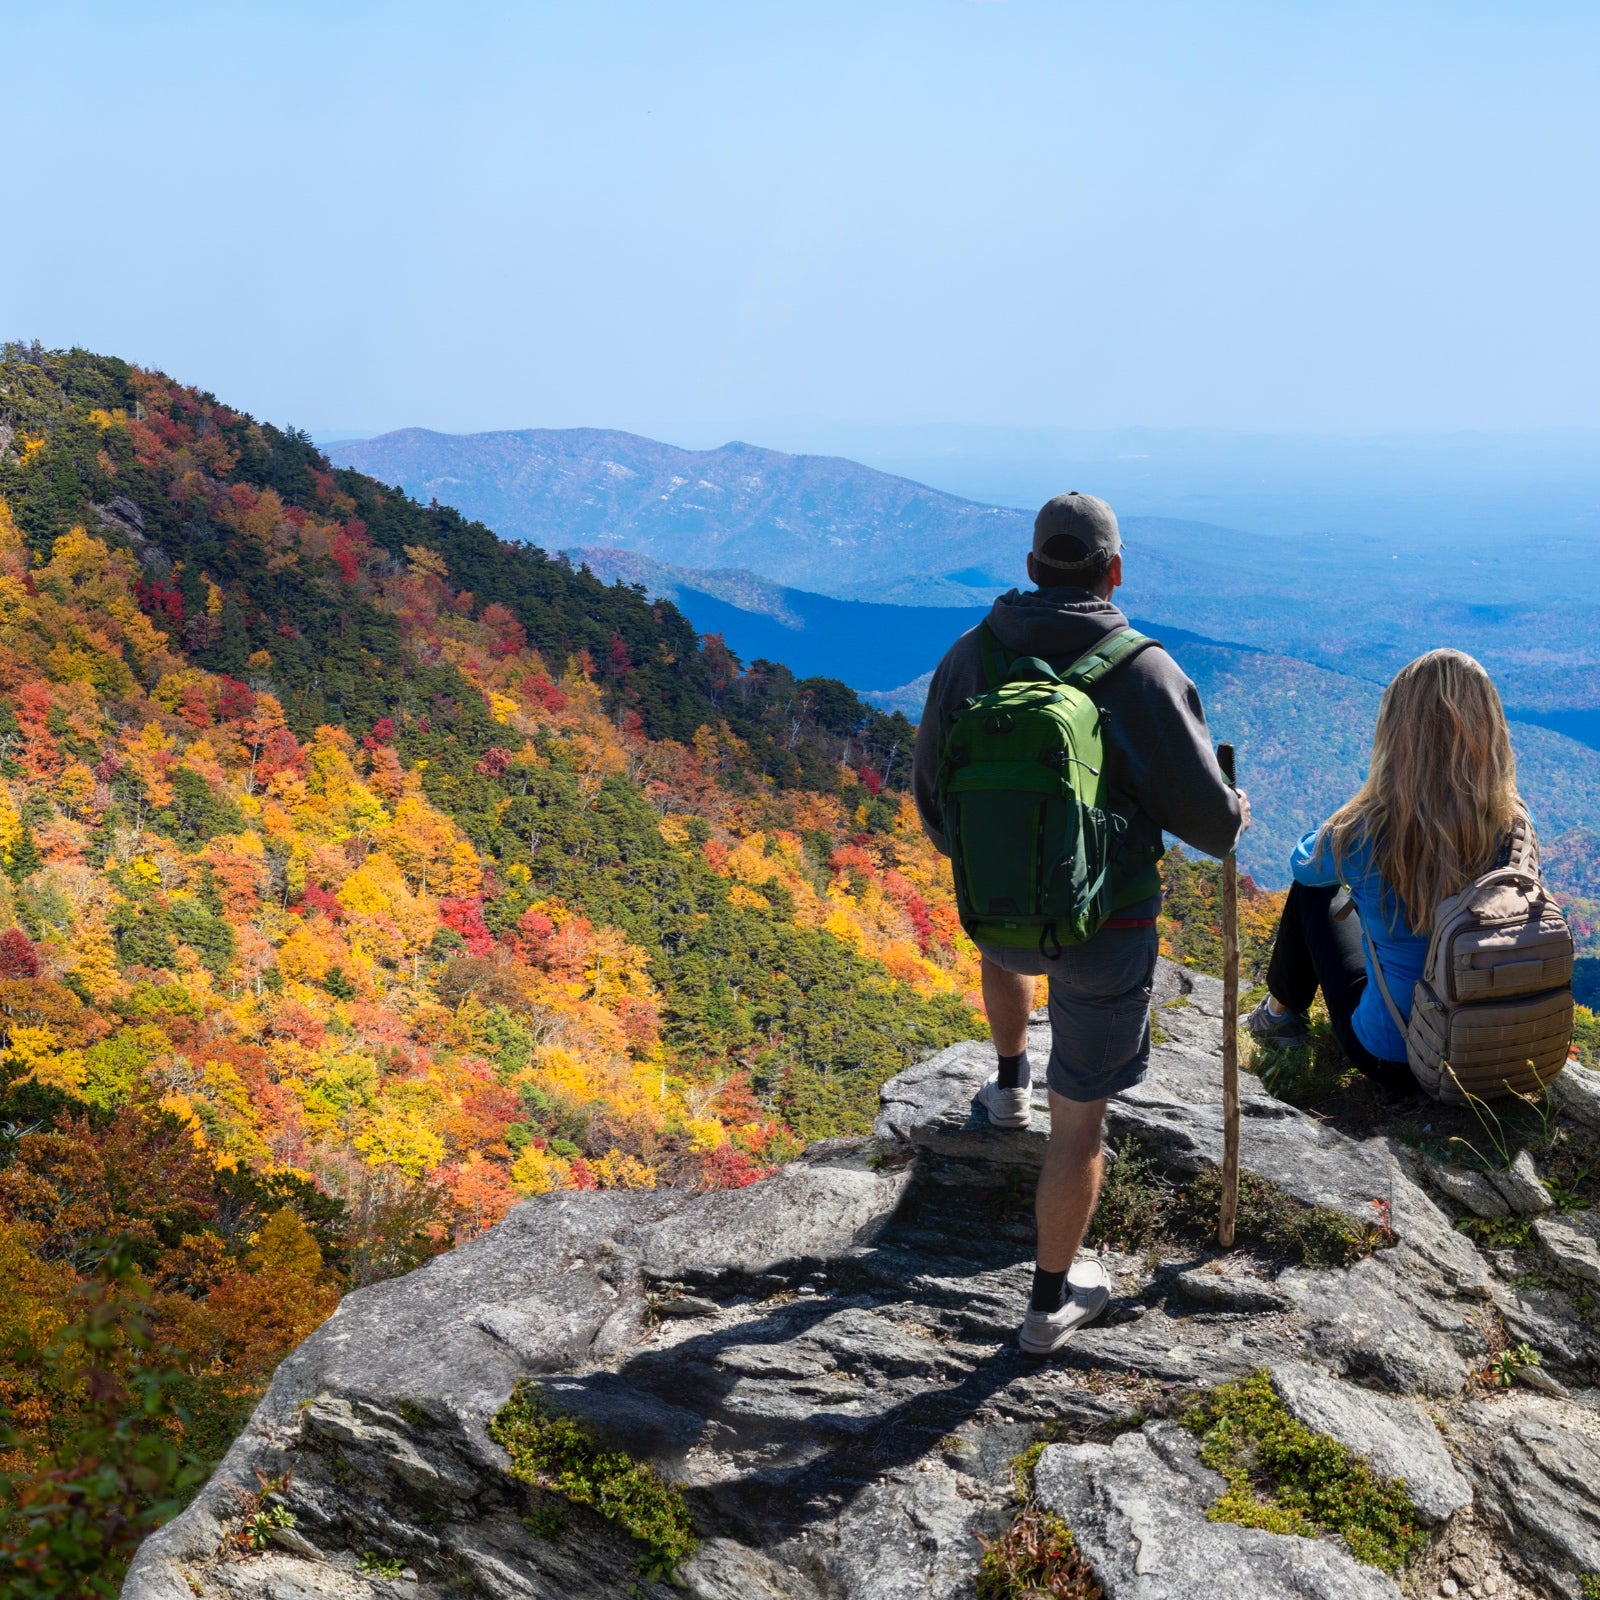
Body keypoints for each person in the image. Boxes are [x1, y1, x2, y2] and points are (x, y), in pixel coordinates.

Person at [912, 492, 1247, 1356]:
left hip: (998, 919)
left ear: (1031, 569)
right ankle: (1049, 1304)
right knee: (1082, 1124)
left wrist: (1001, 861)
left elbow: (934, 804)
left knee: (1009, 940)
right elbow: (1212, 825)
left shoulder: (968, 658)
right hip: (1110, 927)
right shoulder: (1143, 671)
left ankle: (1007, 1083)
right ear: (1114, 570)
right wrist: (1235, 805)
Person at [1247, 648, 1526, 1097]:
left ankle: (1278, 1017)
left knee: (1312, 893)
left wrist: (1359, 806)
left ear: (1397, 732)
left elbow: (1302, 864)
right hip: (1494, 1053)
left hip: (1395, 1055)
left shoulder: (1370, 828)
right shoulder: (1513, 825)